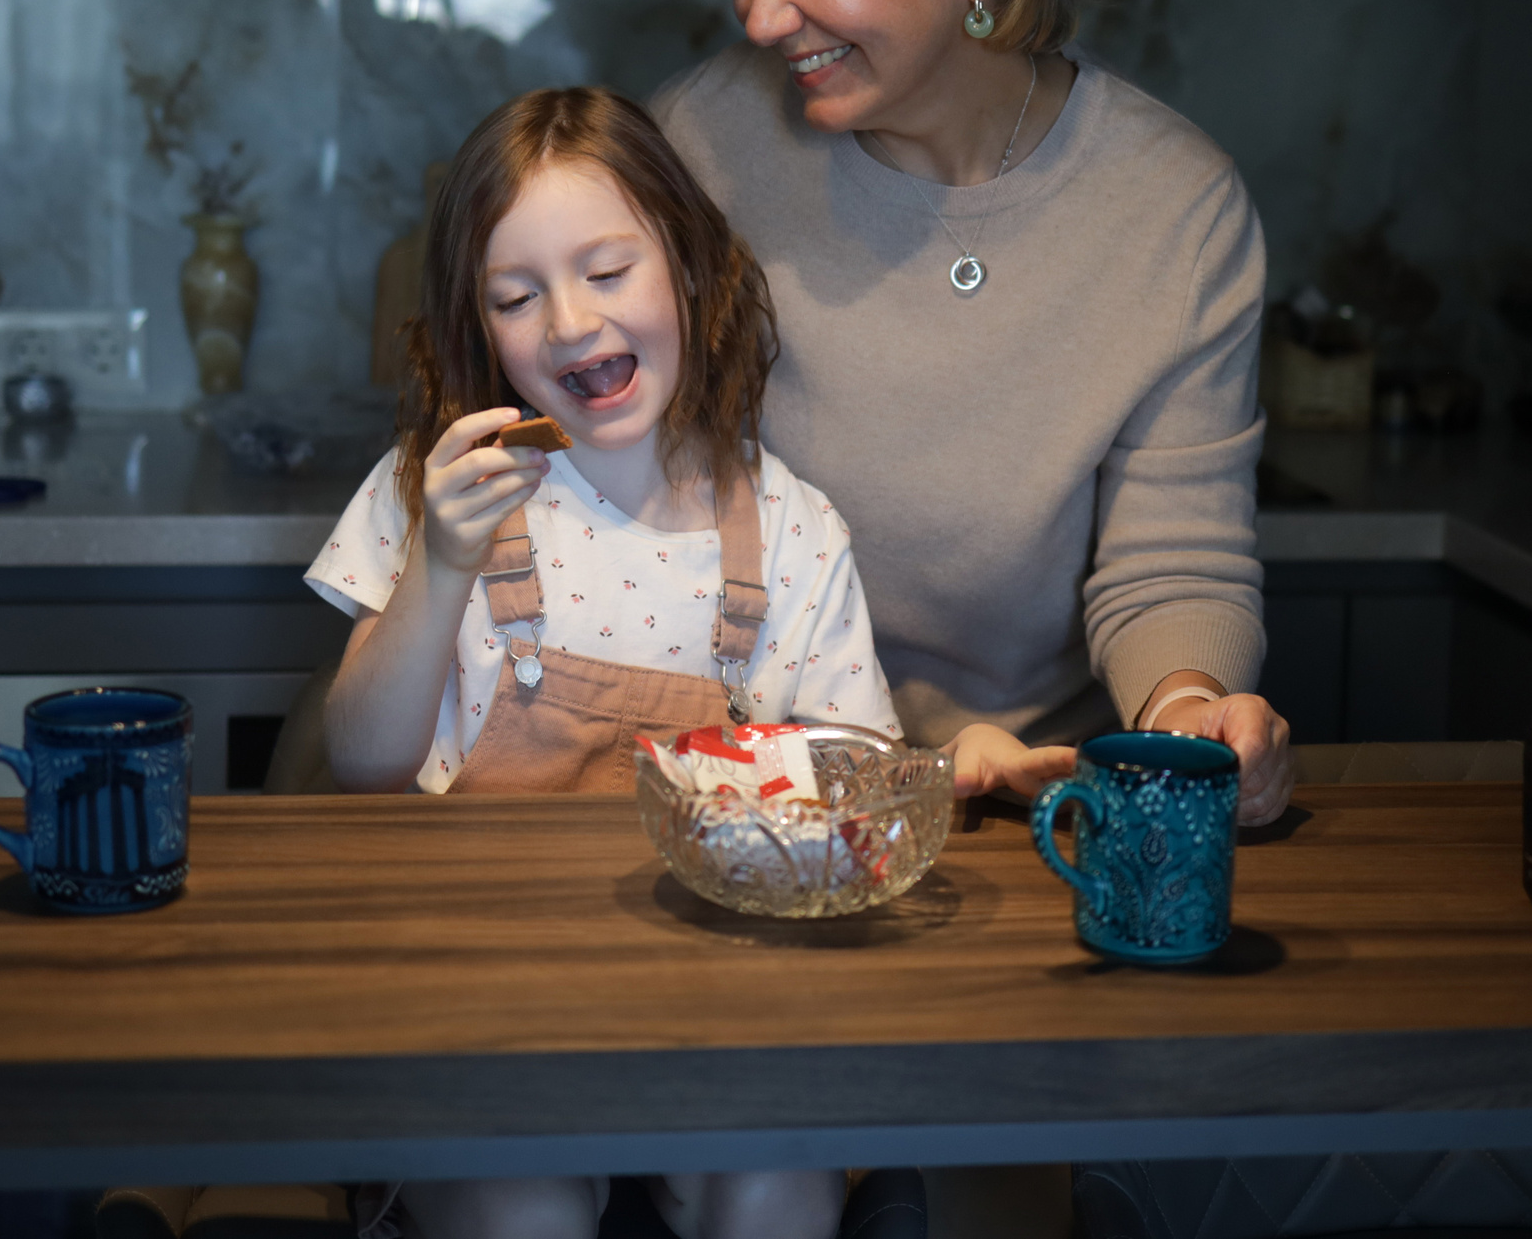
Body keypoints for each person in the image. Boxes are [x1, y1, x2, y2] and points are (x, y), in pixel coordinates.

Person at [305, 86, 1071, 1239]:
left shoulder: (792, 528)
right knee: (525, 1211)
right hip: (476, 1015)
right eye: (516, 296)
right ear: (477, 325)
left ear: (691, 268)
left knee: (778, 1193)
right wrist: (441, 562)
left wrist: (948, 766)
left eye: (607, 271)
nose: (570, 322)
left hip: (728, 1022)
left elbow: (850, 799)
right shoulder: (432, 492)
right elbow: (361, 763)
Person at [654, 0, 1295, 823]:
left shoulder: (1174, 212)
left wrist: (1190, 710)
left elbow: (1174, 561)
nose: (761, 17)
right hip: (763, 795)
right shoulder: (699, 150)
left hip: (1029, 798)